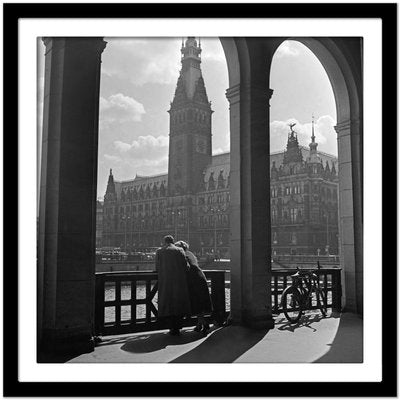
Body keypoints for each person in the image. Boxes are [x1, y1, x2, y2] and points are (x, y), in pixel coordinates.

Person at [155, 235, 191, 335]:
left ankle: (170, 327)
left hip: (165, 283)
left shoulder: (159, 251)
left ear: (164, 242)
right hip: (179, 283)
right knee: (178, 304)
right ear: (173, 241)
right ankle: (177, 327)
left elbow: (157, 268)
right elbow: (186, 266)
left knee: (167, 304)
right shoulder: (179, 250)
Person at [175, 240, 213, 334]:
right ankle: (200, 324)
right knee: (200, 302)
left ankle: (203, 323)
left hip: (193, 279)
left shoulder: (183, 255)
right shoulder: (190, 254)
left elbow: (184, 268)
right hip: (200, 276)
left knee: (195, 302)